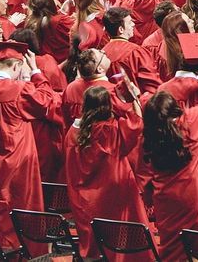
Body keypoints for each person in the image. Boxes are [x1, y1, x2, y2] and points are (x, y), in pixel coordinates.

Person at [0, 42, 60, 250]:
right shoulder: (20, 89)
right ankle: (25, 251)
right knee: (22, 206)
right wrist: (36, 72)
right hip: (18, 158)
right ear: (18, 66)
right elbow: (47, 103)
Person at [141, 86, 198, 262]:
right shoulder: (191, 121)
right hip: (193, 196)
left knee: (172, 249)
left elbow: (143, 173)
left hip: (165, 200)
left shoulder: (148, 134)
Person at [65, 82, 147, 261]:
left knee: (95, 248)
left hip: (83, 199)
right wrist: (131, 100)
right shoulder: (112, 129)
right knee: (117, 241)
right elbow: (138, 124)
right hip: (113, 195)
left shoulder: (73, 132)